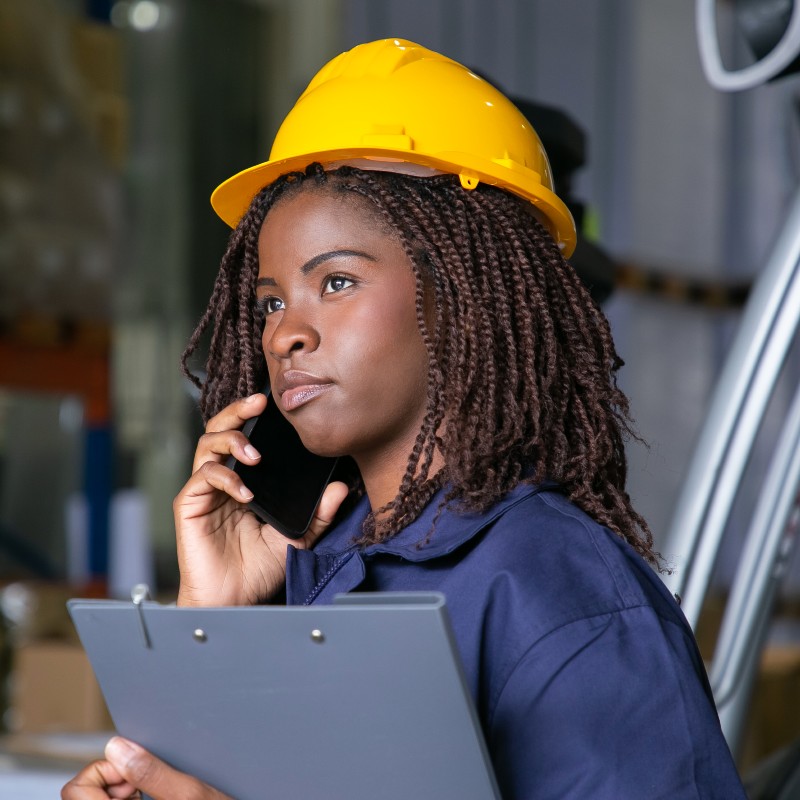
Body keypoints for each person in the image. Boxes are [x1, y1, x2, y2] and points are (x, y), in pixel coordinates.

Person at [63, 38, 747, 799]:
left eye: (337, 281)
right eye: (271, 302)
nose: (284, 334)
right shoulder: (319, 563)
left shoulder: (563, 594)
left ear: (465, 298)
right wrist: (211, 620)